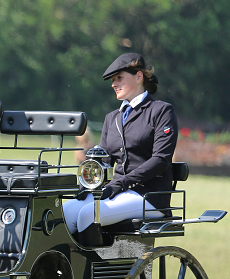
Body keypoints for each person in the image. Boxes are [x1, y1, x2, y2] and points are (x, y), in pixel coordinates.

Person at [63, 52, 178, 238]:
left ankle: (91, 267)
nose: (113, 84)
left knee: (88, 214)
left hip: (149, 196)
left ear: (138, 76)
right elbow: (105, 160)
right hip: (116, 192)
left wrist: (122, 183)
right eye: (112, 80)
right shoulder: (112, 118)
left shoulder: (161, 111)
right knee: (63, 212)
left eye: (119, 78)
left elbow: (161, 159)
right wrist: (88, 185)